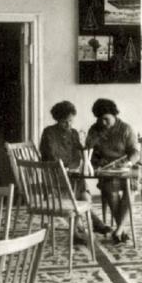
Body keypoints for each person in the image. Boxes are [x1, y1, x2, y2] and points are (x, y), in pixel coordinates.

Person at [39, 100, 113, 242]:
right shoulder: (49, 133)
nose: (68, 125)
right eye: (64, 122)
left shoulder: (73, 133)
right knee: (76, 196)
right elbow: (51, 156)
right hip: (54, 176)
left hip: (71, 175)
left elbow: (78, 155)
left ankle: (86, 227)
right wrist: (66, 167)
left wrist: (83, 153)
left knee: (85, 196)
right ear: (57, 119)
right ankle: (82, 229)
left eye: (71, 121)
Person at [85, 98, 140, 244]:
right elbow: (90, 152)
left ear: (114, 115)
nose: (103, 123)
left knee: (130, 190)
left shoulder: (126, 128)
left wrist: (128, 163)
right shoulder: (94, 129)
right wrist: (97, 162)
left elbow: (135, 152)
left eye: (106, 119)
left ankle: (120, 229)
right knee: (110, 190)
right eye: (100, 119)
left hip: (128, 167)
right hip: (108, 170)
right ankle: (121, 230)